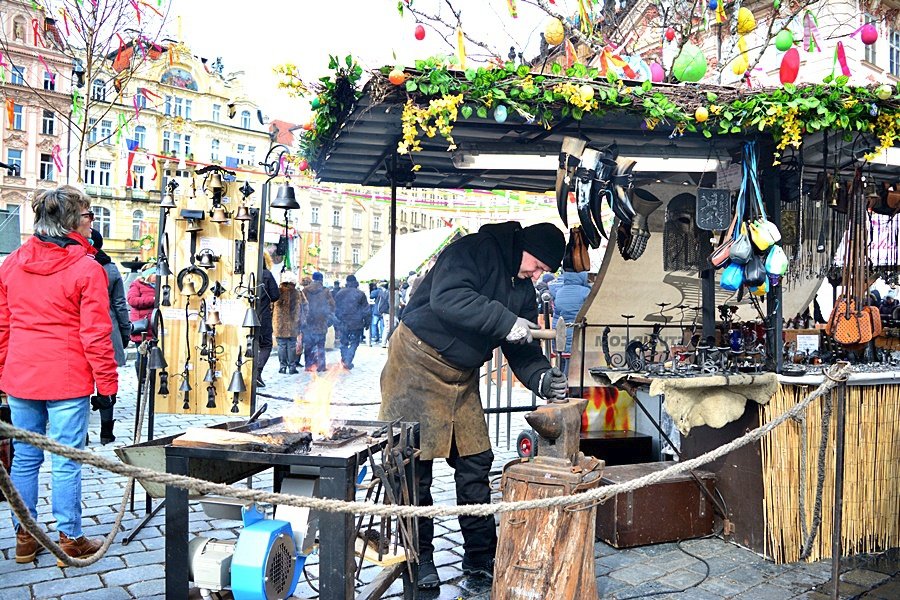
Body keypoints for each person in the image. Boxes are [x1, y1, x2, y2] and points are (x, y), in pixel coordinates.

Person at [379, 221, 567, 589]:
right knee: (414, 468)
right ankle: (420, 559)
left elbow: (521, 346)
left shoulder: (523, 288)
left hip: (461, 376)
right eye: (538, 265)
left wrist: (542, 377)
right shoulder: (475, 249)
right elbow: (448, 298)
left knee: (475, 462)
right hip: (416, 363)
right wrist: (504, 320)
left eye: (545, 271)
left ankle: (481, 556)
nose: (538, 274)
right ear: (523, 247)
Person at [0, 185, 118, 564]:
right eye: (88, 216)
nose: (92, 222)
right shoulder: (86, 268)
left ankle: (25, 537)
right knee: (66, 458)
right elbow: (95, 333)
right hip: (66, 377)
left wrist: (2, 372)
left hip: (21, 375)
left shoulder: (12, 262)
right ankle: (70, 538)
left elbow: (3, 327)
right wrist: (107, 385)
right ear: (71, 222)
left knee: (25, 457)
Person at [90, 229, 130, 444]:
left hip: (82, 331)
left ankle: (84, 434)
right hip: (108, 330)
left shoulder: (75, 266)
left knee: (83, 381)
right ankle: (106, 432)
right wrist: (125, 332)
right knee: (105, 380)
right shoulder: (111, 270)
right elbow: (120, 305)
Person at [552, 270, 591, 375]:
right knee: (579, 366)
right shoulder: (585, 292)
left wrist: (554, 341)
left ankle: (563, 385)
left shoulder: (559, 292)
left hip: (563, 333)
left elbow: (556, 317)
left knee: (565, 363)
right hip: (579, 333)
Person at [127, 262, 157, 386]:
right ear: (149, 275)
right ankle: (142, 381)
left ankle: (155, 381)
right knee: (142, 356)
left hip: (155, 327)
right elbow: (132, 300)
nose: (157, 275)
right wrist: (153, 300)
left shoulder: (161, 286)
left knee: (155, 356)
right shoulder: (137, 284)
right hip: (143, 327)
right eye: (155, 273)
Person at [254, 252, 281, 387]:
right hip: (262, 315)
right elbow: (275, 295)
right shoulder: (266, 274)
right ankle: (257, 372)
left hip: (242, 316)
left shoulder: (242, 274)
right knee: (265, 345)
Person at [333, 274, 371, 369]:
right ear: (356, 283)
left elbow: (335, 309)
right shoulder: (360, 294)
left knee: (343, 342)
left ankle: (345, 359)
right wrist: (367, 322)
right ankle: (348, 360)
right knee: (354, 342)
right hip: (356, 323)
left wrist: (336, 322)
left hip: (343, 322)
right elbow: (366, 310)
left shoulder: (340, 293)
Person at [301, 272, 334, 372]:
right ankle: (321, 365)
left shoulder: (305, 290)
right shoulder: (325, 291)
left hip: (308, 321)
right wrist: (328, 318)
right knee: (320, 344)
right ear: (321, 279)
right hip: (321, 321)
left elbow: (301, 305)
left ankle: (309, 365)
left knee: (308, 344)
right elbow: (332, 305)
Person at [273, 271, 303, 375]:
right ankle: (292, 367)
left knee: (281, 345)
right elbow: (305, 306)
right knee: (291, 345)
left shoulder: (278, 291)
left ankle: (282, 367)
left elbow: (270, 306)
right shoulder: (297, 292)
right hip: (294, 323)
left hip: (279, 324)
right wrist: (301, 318)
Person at [369, 281, 387, 346]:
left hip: (376, 310)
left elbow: (371, 295)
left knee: (374, 324)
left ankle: (375, 337)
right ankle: (382, 337)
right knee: (383, 325)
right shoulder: (387, 292)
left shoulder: (377, 291)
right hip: (383, 311)